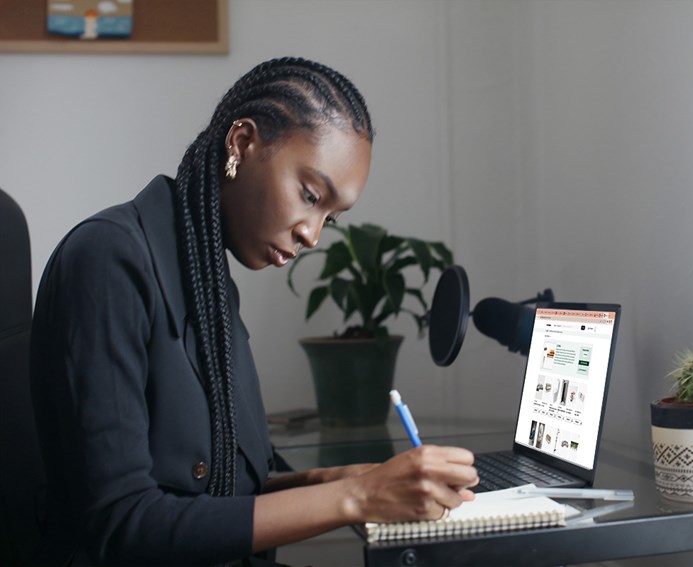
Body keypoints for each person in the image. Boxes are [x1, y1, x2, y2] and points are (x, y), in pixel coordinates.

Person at [29, 57, 479, 566]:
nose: (312, 233)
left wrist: (338, 479)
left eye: (330, 217)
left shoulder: (207, 277)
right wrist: (356, 498)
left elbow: (221, 491)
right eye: (310, 195)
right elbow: (124, 523)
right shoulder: (109, 260)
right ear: (242, 144)